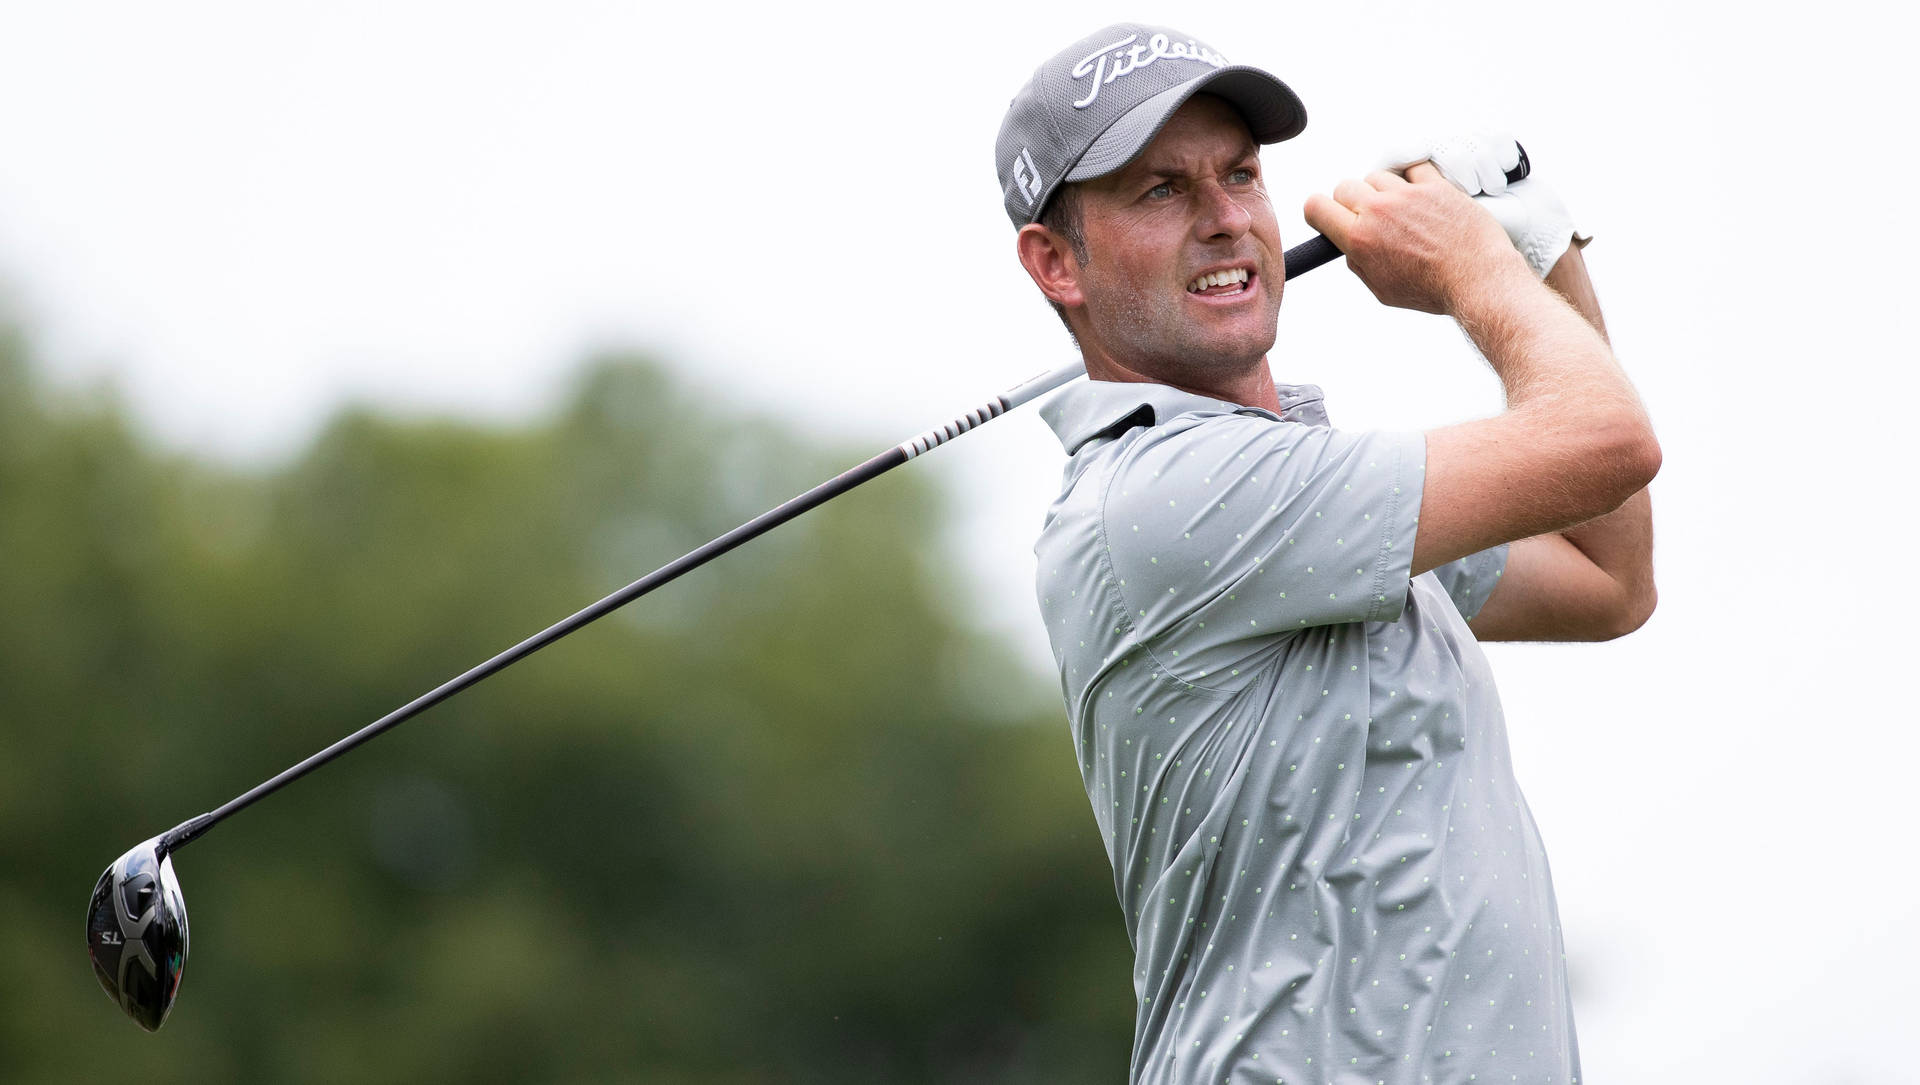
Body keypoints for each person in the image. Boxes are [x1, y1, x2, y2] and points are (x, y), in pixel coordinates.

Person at [996, 23, 1657, 1085]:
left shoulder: (1305, 495)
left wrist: (1537, 251)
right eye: (1160, 191)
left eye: (1241, 175)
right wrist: (1477, 271)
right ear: (1054, 261)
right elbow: (1607, 441)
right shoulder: (1167, 497)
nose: (1224, 220)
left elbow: (1606, 576)